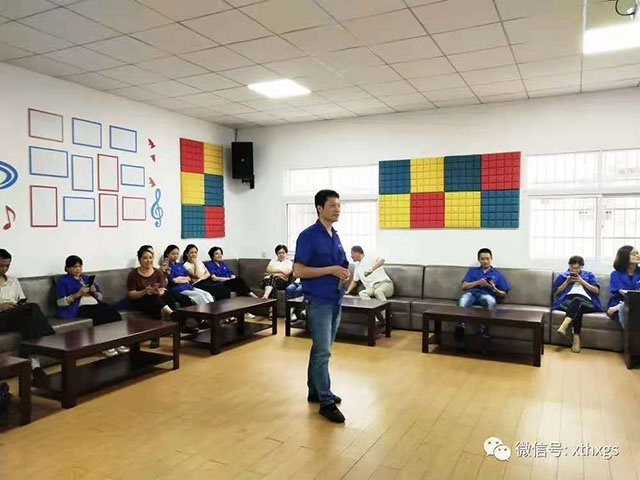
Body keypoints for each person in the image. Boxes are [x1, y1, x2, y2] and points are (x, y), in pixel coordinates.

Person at [294, 189, 350, 423]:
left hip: (335, 299)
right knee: (323, 351)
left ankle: (315, 390)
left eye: (339, 205)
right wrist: (330, 270)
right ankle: (326, 402)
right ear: (319, 208)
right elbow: (298, 270)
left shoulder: (334, 235)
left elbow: (341, 263)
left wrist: (344, 273)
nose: (337, 209)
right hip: (318, 301)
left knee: (321, 348)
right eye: (332, 205)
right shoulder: (308, 236)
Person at [56, 255, 126, 357]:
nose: (78, 269)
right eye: (74, 267)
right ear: (67, 268)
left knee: (113, 312)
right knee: (100, 316)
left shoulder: (86, 278)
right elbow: (60, 302)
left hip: (95, 304)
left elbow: (100, 297)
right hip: (79, 308)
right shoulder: (63, 281)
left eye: (80, 266)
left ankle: (118, 342)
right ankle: (105, 345)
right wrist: (78, 294)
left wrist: (94, 292)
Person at [0, 249, 54, 373]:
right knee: (32, 308)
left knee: (28, 318)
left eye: (7, 266)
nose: (4, 269)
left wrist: (19, 306)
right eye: (1, 265)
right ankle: (50, 336)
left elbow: (22, 300)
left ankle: (33, 365)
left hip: (14, 315)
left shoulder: (13, 281)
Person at [456, 248, 510, 341]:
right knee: (463, 300)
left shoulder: (497, 274)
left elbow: (503, 294)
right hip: (472, 293)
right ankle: (460, 327)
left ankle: (483, 331)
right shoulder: (472, 271)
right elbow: (463, 286)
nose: (485, 261)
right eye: (482, 259)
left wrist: (492, 288)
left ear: (491, 259)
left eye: (487, 259)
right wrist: (478, 282)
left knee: (491, 301)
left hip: (486, 295)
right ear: (479, 260)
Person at [553, 255, 602, 353]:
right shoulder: (562, 276)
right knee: (577, 307)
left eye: (577, 268)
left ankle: (564, 325)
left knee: (577, 301)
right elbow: (556, 292)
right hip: (567, 301)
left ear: (582, 266)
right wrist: (566, 282)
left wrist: (582, 281)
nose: (575, 270)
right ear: (569, 266)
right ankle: (576, 340)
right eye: (572, 268)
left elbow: (596, 291)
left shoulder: (589, 275)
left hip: (587, 301)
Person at [127, 246, 173, 348]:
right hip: (139, 300)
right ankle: (172, 314)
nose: (149, 260)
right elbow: (131, 294)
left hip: (154, 299)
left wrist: (158, 291)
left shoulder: (157, 272)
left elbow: (162, 288)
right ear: (139, 260)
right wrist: (144, 291)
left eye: (150, 258)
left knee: (158, 300)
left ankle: (156, 336)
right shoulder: (133, 274)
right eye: (145, 258)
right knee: (154, 301)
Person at [607, 245, 640, 328]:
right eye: (633, 254)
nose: (637, 255)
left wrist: (619, 307)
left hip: (636, 303)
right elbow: (625, 294)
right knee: (627, 313)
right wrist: (621, 305)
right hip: (619, 301)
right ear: (624, 257)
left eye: (637, 253)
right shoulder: (615, 274)